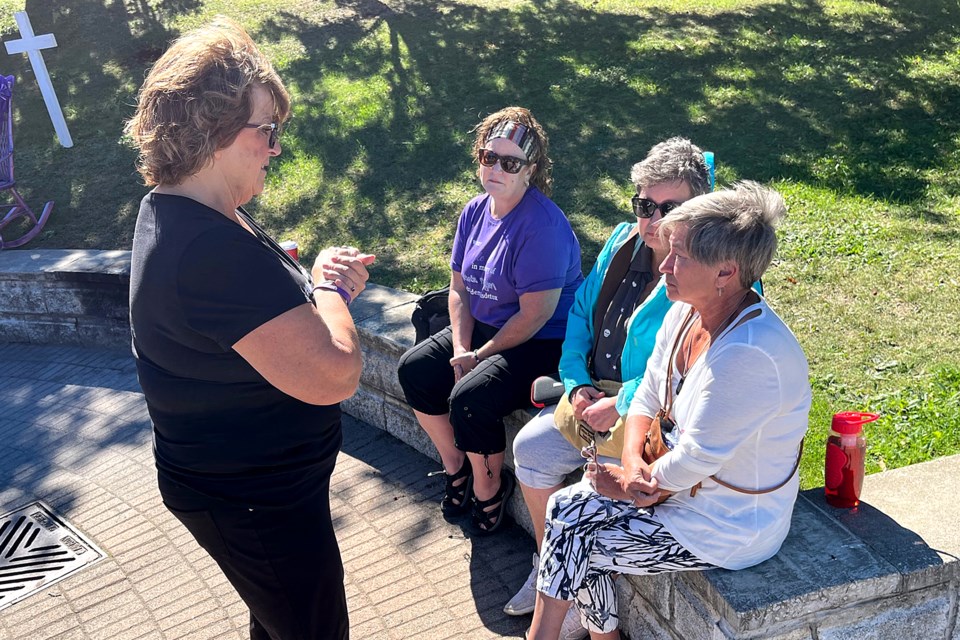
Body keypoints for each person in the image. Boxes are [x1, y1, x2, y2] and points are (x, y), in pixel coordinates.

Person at [126, 19, 374, 640]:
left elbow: (232, 317)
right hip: (256, 501)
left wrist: (284, 278)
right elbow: (335, 374)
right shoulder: (208, 251)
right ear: (214, 133)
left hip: (250, 488)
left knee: (282, 622)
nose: (275, 147)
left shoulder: (187, 211)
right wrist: (330, 288)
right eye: (266, 130)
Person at [527, 181, 811, 640]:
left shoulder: (750, 355)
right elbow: (646, 396)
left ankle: (551, 638)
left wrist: (628, 481)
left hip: (725, 525)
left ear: (726, 272)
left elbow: (698, 455)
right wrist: (634, 460)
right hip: (673, 489)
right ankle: (593, 637)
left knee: (578, 534)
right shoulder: (687, 310)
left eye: (680, 256)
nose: (665, 265)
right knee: (567, 510)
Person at [505, 138, 711, 638]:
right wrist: (576, 385)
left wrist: (620, 403)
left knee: (581, 507)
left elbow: (687, 367)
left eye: (670, 208)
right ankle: (548, 567)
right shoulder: (622, 240)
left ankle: (570, 595)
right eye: (645, 205)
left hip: (652, 419)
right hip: (592, 397)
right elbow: (579, 316)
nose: (653, 221)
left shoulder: (712, 269)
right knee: (530, 449)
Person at [397, 106, 583, 535]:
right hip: (485, 330)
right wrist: (462, 348)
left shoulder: (544, 226)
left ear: (529, 170)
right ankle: (456, 467)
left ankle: (489, 486)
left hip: (541, 342)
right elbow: (458, 288)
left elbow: (535, 315)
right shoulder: (475, 211)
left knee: (470, 397)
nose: (496, 168)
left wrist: (479, 356)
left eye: (510, 162)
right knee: (417, 369)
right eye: (489, 157)